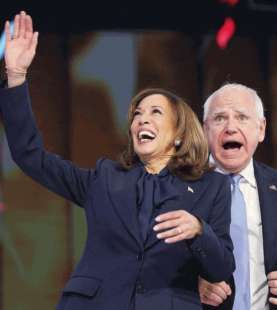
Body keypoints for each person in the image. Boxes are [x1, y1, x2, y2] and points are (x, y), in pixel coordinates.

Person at [0, 11, 235, 310]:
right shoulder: (104, 178)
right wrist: (17, 76)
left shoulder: (210, 186)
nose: (141, 120)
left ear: (179, 134)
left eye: (154, 113)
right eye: (137, 115)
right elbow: (29, 155)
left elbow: (222, 267)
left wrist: (200, 230)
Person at [199, 83, 277, 309]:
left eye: (242, 117)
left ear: (261, 129)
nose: (230, 127)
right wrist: (187, 284)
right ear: (205, 130)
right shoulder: (178, 186)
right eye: (220, 118)